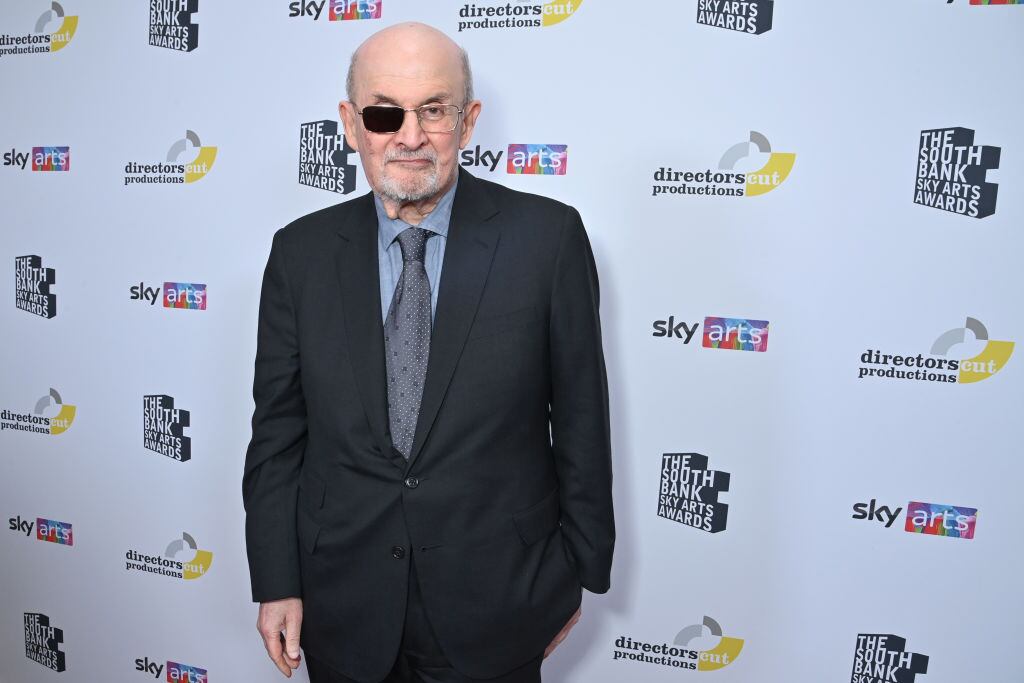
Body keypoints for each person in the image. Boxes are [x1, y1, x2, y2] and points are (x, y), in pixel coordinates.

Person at [243, 21, 614, 683]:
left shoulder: (547, 239)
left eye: (434, 110)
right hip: (341, 608)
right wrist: (276, 579)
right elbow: (277, 435)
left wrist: (574, 572)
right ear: (351, 124)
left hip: (501, 605)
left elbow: (582, 423)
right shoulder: (299, 254)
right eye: (385, 112)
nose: (409, 136)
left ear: (468, 121)